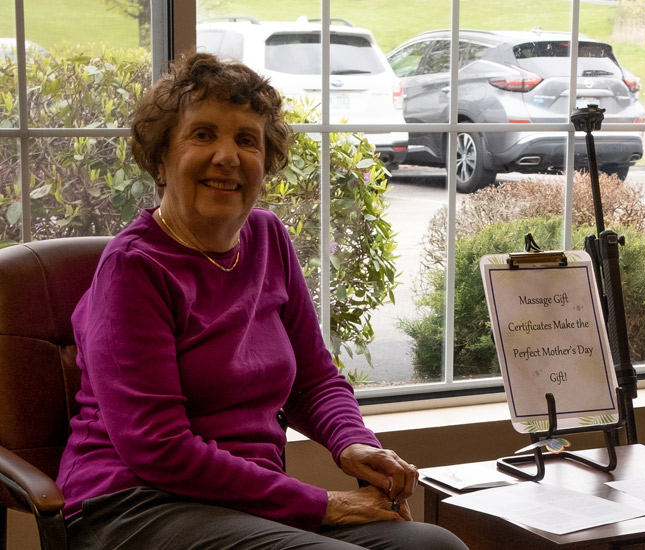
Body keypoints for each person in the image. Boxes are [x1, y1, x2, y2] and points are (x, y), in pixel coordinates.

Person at [56, 52, 466, 550]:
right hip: (133, 505)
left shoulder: (269, 239)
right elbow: (158, 448)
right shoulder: (134, 268)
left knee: (434, 546)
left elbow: (314, 379)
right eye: (203, 134)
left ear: (265, 164)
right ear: (161, 158)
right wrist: (325, 503)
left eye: (246, 140)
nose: (227, 156)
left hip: (248, 503)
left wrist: (351, 442)